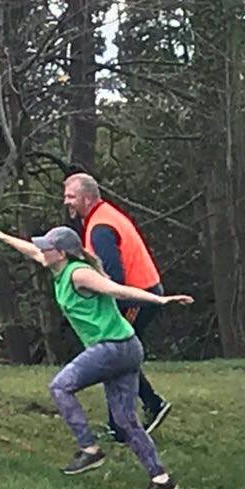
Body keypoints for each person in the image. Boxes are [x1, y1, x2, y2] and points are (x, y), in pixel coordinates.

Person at [0, 221, 194, 489]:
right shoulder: (57, 267)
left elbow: (117, 290)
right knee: (126, 421)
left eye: (48, 247)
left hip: (113, 349)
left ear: (63, 253)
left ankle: (89, 450)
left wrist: (159, 301)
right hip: (127, 348)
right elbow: (31, 250)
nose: (42, 250)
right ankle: (162, 480)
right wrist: (0, 235)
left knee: (60, 386)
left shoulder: (79, 274)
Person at [63, 172, 171, 440]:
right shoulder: (102, 216)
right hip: (139, 292)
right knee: (115, 354)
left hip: (137, 296)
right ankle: (131, 418)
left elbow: (113, 274)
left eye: (71, 197)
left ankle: (139, 414)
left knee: (114, 352)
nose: (66, 202)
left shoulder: (100, 228)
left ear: (87, 198)